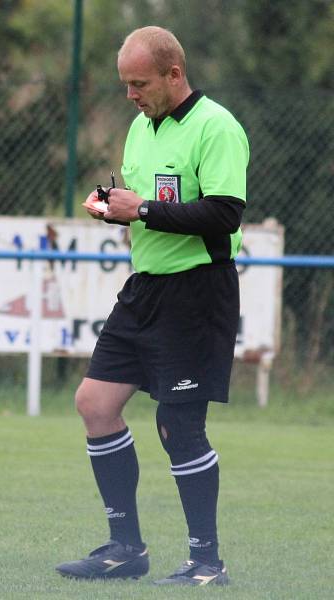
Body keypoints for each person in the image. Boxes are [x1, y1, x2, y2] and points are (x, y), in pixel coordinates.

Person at [55, 27, 248, 586]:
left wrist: (140, 213)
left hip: (197, 291)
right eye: (125, 85)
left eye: (139, 83)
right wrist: (116, 209)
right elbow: (145, 206)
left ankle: (206, 563)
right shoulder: (141, 128)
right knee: (94, 403)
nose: (131, 95)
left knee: (178, 425)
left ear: (174, 74)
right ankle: (125, 549)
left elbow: (223, 214)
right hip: (145, 289)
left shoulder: (217, 127)